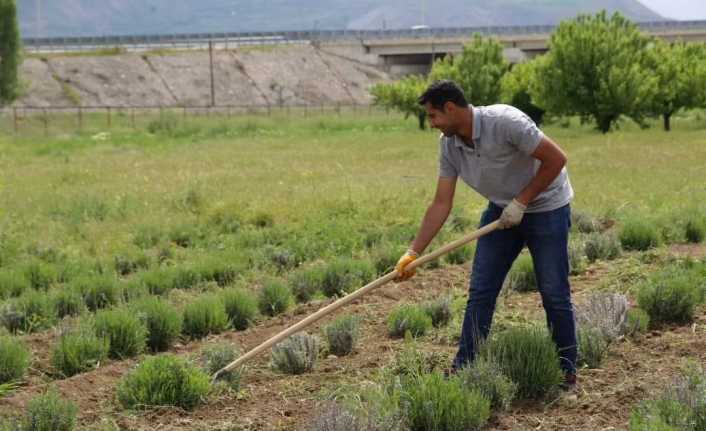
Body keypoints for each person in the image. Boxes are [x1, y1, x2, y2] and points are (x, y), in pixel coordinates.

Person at [394, 79, 577, 388]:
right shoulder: (449, 145)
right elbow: (441, 202)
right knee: (481, 291)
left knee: (554, 292)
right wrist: (413, 252)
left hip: (547, 208)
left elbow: (557, 159)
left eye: (433, 116)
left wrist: (522, 201)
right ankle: (465, 366)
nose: (432, 124)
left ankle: (566, 372)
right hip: (502, 212)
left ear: (450, 108)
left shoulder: (505, 122)